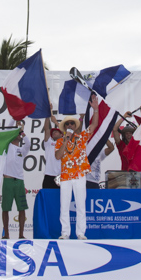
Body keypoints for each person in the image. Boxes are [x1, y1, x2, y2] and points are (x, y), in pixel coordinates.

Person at [55, 93, 99, 240]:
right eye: (67, 124)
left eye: (72, 124)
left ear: (75, 126)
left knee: (80, 205)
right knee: (64, 205)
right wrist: (66, 141)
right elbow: (57, 156)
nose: (69, 126)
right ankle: (65, 233)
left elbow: (93, 126)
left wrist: (96, 110)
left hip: (80, 174)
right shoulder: (60, 141)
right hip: (66, 176)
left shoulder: (81, 139)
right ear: (64, 127)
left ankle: (81, 232)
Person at [2, 123, 31, 239]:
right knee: (5, 208)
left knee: (22, 208)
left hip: (19, 181)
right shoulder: (7, 146)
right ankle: (7, 235)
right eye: (17, 134)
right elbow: (7, 130)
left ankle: (21, 234)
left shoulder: (22, 150)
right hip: (8, 180)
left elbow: (28, 143)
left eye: (19, 135)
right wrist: (14, 120)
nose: (18, 136)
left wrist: (21, 132)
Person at [41, 116, 62, 189]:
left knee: (60, 199)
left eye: (56, 131)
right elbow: (47, 129)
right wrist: (47, 116)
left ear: (61, 134)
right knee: (47, 198)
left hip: (60, 176)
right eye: (53, 132)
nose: (54, 133)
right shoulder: (49, 143)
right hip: (48, 175)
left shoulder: (65, 143)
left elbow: (69, 134)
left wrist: (56, 122)